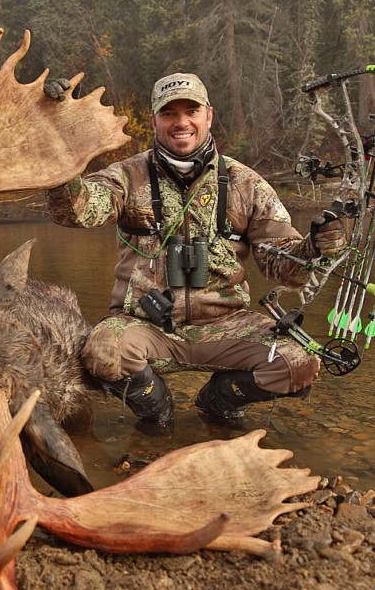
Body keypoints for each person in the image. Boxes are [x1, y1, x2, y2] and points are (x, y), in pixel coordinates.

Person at [44, 73, 346, 430]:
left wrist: (316, 247)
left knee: (300, 363)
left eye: (192, 111)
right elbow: (75, 211)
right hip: (146, 325)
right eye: (169, 113)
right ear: (154, 120)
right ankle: (156, 407)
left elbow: (285, 268)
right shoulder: (127, 176)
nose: (181, 122)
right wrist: (63, 143)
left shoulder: (245, 183)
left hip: (227, 325)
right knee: (102, 351)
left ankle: (219, 400)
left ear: (209, 116)